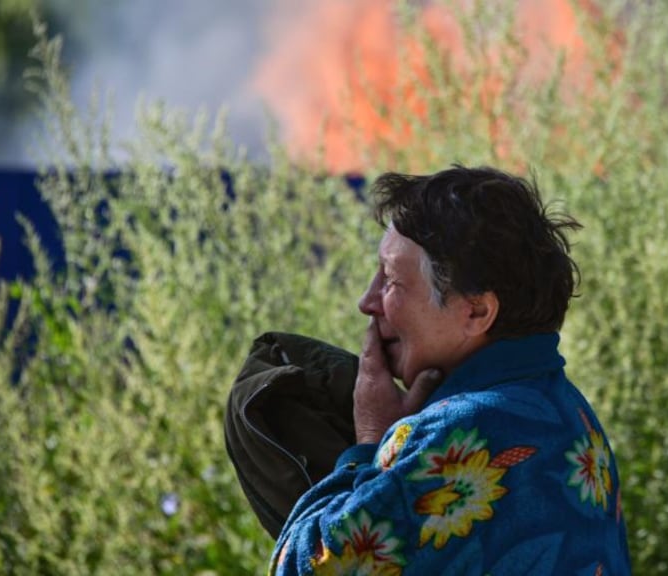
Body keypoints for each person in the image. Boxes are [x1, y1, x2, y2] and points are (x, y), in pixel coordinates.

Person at [269, 165, 631, 575]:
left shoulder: (459, 432)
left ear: (477, 311)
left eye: (390, 280)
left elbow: (302, 567)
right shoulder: (573, 414)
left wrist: (370, 443)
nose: (367, 302)